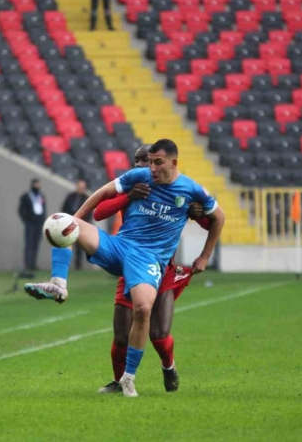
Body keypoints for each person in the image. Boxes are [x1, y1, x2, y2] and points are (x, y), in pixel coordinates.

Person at [25, 139, 225, 397]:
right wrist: (75, 220)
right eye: (147, 162)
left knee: (147, 315)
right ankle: (58, 284)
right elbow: (101, 200)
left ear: (173, 162)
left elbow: (217, 218)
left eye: (156, 162)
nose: (150, 168)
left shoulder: (192, 190)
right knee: (61, 223)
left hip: (149, 261)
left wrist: (205, 254)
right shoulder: (137, 178)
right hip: (120, 246)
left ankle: (132, 377)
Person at [91, 144, 212, 394]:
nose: (140, 165)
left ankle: (169, 367)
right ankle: (119, 381)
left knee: (158, 333)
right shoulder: (132, 184)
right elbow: (100, 212)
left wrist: (197, 213)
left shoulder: (177, 189)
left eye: (146, 160)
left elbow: (210, 221)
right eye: (136, 160)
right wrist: (128, 197)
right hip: (133, 263)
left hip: (163, 270)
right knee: (121, 335)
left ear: (161, 163)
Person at [18, 178, 47, 278]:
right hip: (30, 224)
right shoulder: (26, 196)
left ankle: (33, 264)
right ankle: (27, 264)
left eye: (38, 184)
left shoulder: (41, 196)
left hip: (39, 223)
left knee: (36, 244)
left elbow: (44, 209)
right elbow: (21, 210)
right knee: (29, 244)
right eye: (35, 184)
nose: (37, 186)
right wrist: (27, 220)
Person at [61, 179, 91, 270]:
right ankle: (65, 264)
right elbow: (64, 208)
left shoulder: (86, 198)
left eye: (83, 187)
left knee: (79, 247)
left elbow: (89, 212)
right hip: (69, 223)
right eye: (79, 187)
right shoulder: (70, 196)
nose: (81, 189)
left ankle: (78, 266)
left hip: (80, 225)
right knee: (66, 245)